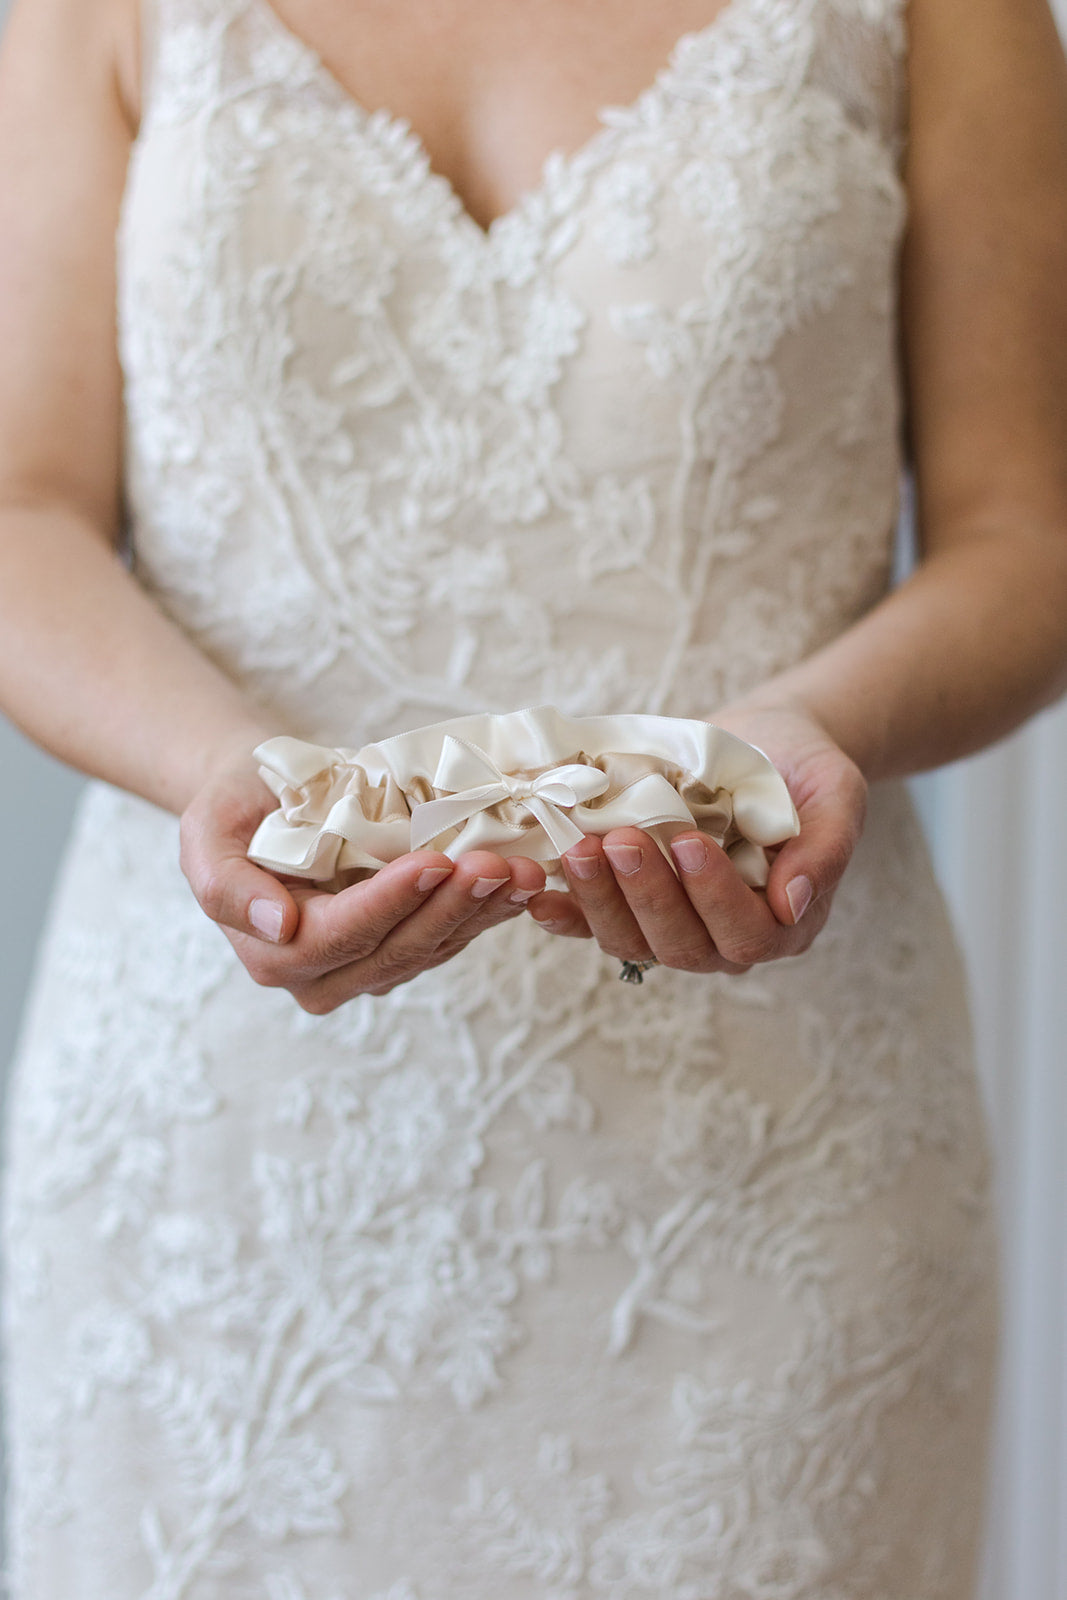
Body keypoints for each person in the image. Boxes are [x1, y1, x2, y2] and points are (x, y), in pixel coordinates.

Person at [1, 0, 1066, 1593]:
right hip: (215, 1152)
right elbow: (21, 507)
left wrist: (804, 729)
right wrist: (215, 771)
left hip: (770, 1161)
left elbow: (1028, 537)